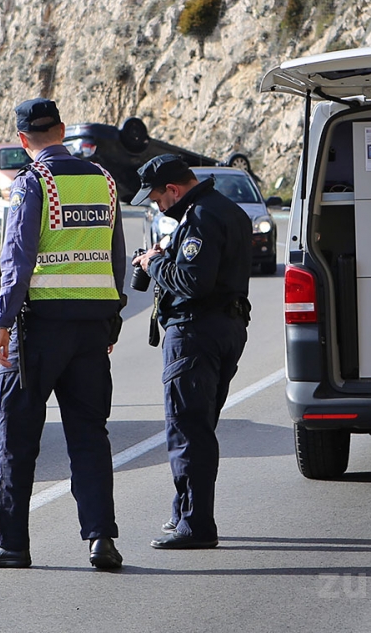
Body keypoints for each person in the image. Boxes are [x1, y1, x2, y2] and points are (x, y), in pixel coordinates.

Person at [0, 98, 127, 570]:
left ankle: (10, 544)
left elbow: (17, 261)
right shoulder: (103, 181)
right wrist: (112, 320)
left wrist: (0, 323)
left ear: (22, 140)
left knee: (15, 438)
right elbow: (116, 257)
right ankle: (101, 539)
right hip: (92, 329)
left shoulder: (31, 183)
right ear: (62, 130)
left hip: (39, 330)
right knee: (89, 436)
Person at [131, 154, 252, 550]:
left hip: (196, 333)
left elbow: (193, 281)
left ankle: (196, 525)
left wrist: (154, 263)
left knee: (188, 429)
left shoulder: (200, 217)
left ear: (173, 189)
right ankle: (184, 510)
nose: (157, 207)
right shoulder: (228, 210)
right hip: (226, 328)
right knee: (199, 425)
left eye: (157, 199)